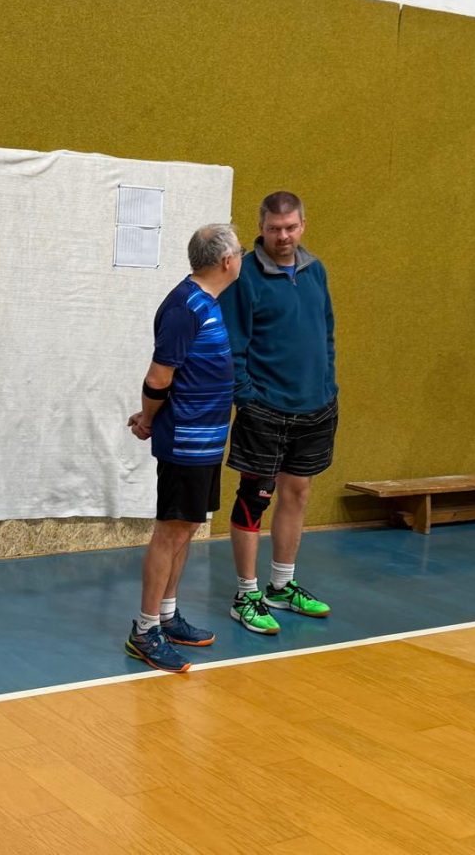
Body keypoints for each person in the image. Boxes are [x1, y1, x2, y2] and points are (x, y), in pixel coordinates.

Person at [124, 224, 244, 673]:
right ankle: (144, 631)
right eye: (240, 252)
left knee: (188, 527)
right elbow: (158, 378)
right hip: (185, 443)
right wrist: (148, 419)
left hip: (208, 440)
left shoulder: (208, 302)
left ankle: (168, 616)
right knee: (170, 532)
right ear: (227, 261)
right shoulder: (184, 308)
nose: (242, 258)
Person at [218, 191, 337, 635]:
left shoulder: (315, 270)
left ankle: (281, 587)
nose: (282, 236)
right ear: (262, 228)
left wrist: (327, 385)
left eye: (290, 228)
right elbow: (232, 345)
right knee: (254, 498)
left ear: (302, 225)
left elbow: (326, 333)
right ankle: (245, 594)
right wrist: (247, 398)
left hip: (316, 407)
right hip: (264, 409)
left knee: (298, 493)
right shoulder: (244, 275)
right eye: (274, 229)